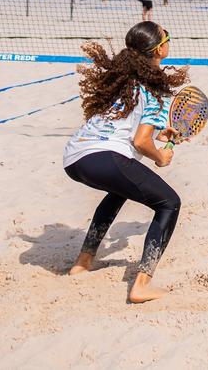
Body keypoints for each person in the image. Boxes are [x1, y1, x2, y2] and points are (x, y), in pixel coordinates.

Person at [63, 21, 189, 303]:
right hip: (106, 157)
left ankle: (82, 262)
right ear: (159, 49)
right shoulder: (154, 88)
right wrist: (160, 157)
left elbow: (127, 126)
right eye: (167, 36)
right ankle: (142, 284)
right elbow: (140, 142)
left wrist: (159, 133)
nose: (170, 39)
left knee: (119, 190)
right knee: (169, 203)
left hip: (74, 158)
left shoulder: (121, 80)